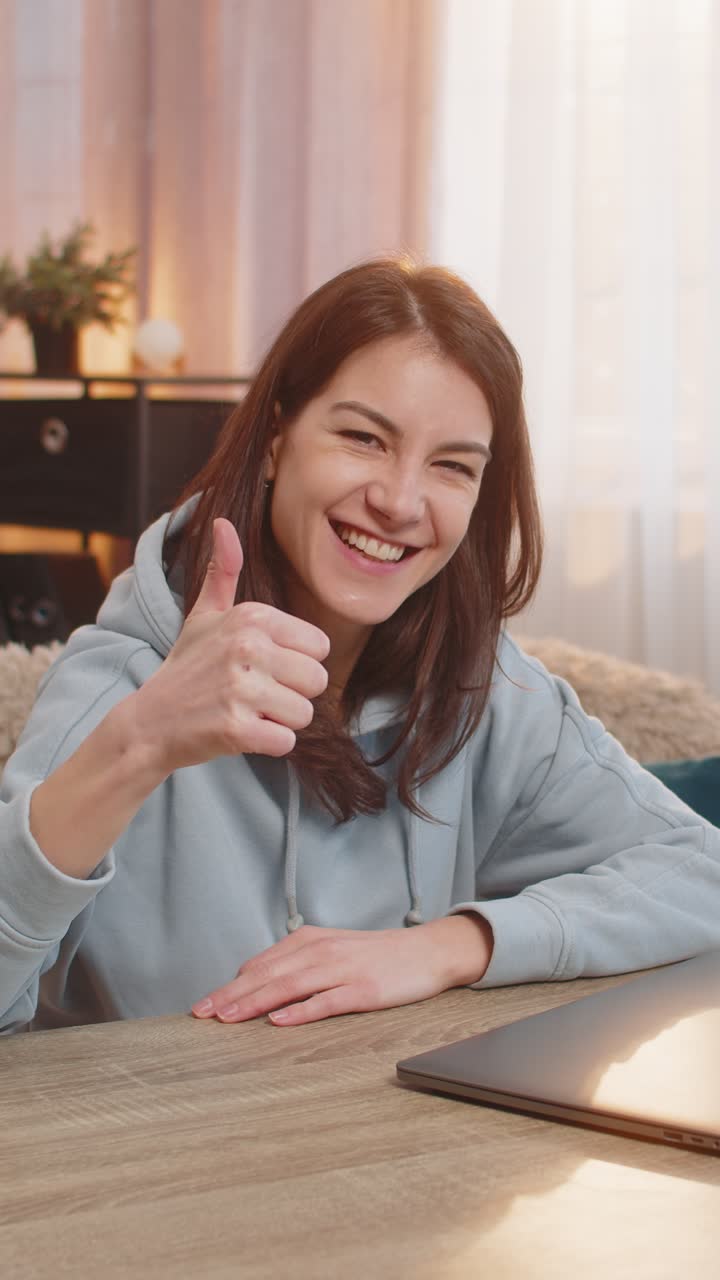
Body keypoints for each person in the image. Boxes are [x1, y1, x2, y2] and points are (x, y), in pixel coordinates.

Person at [1, 257, 718, 1036]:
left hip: (396, 1151)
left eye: (451, 466)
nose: (400, 502)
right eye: (364, 439)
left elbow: (701, 873)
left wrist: (454, 946)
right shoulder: (124, 681)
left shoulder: (485, 693)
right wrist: (141, 741)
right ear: (277, 439)